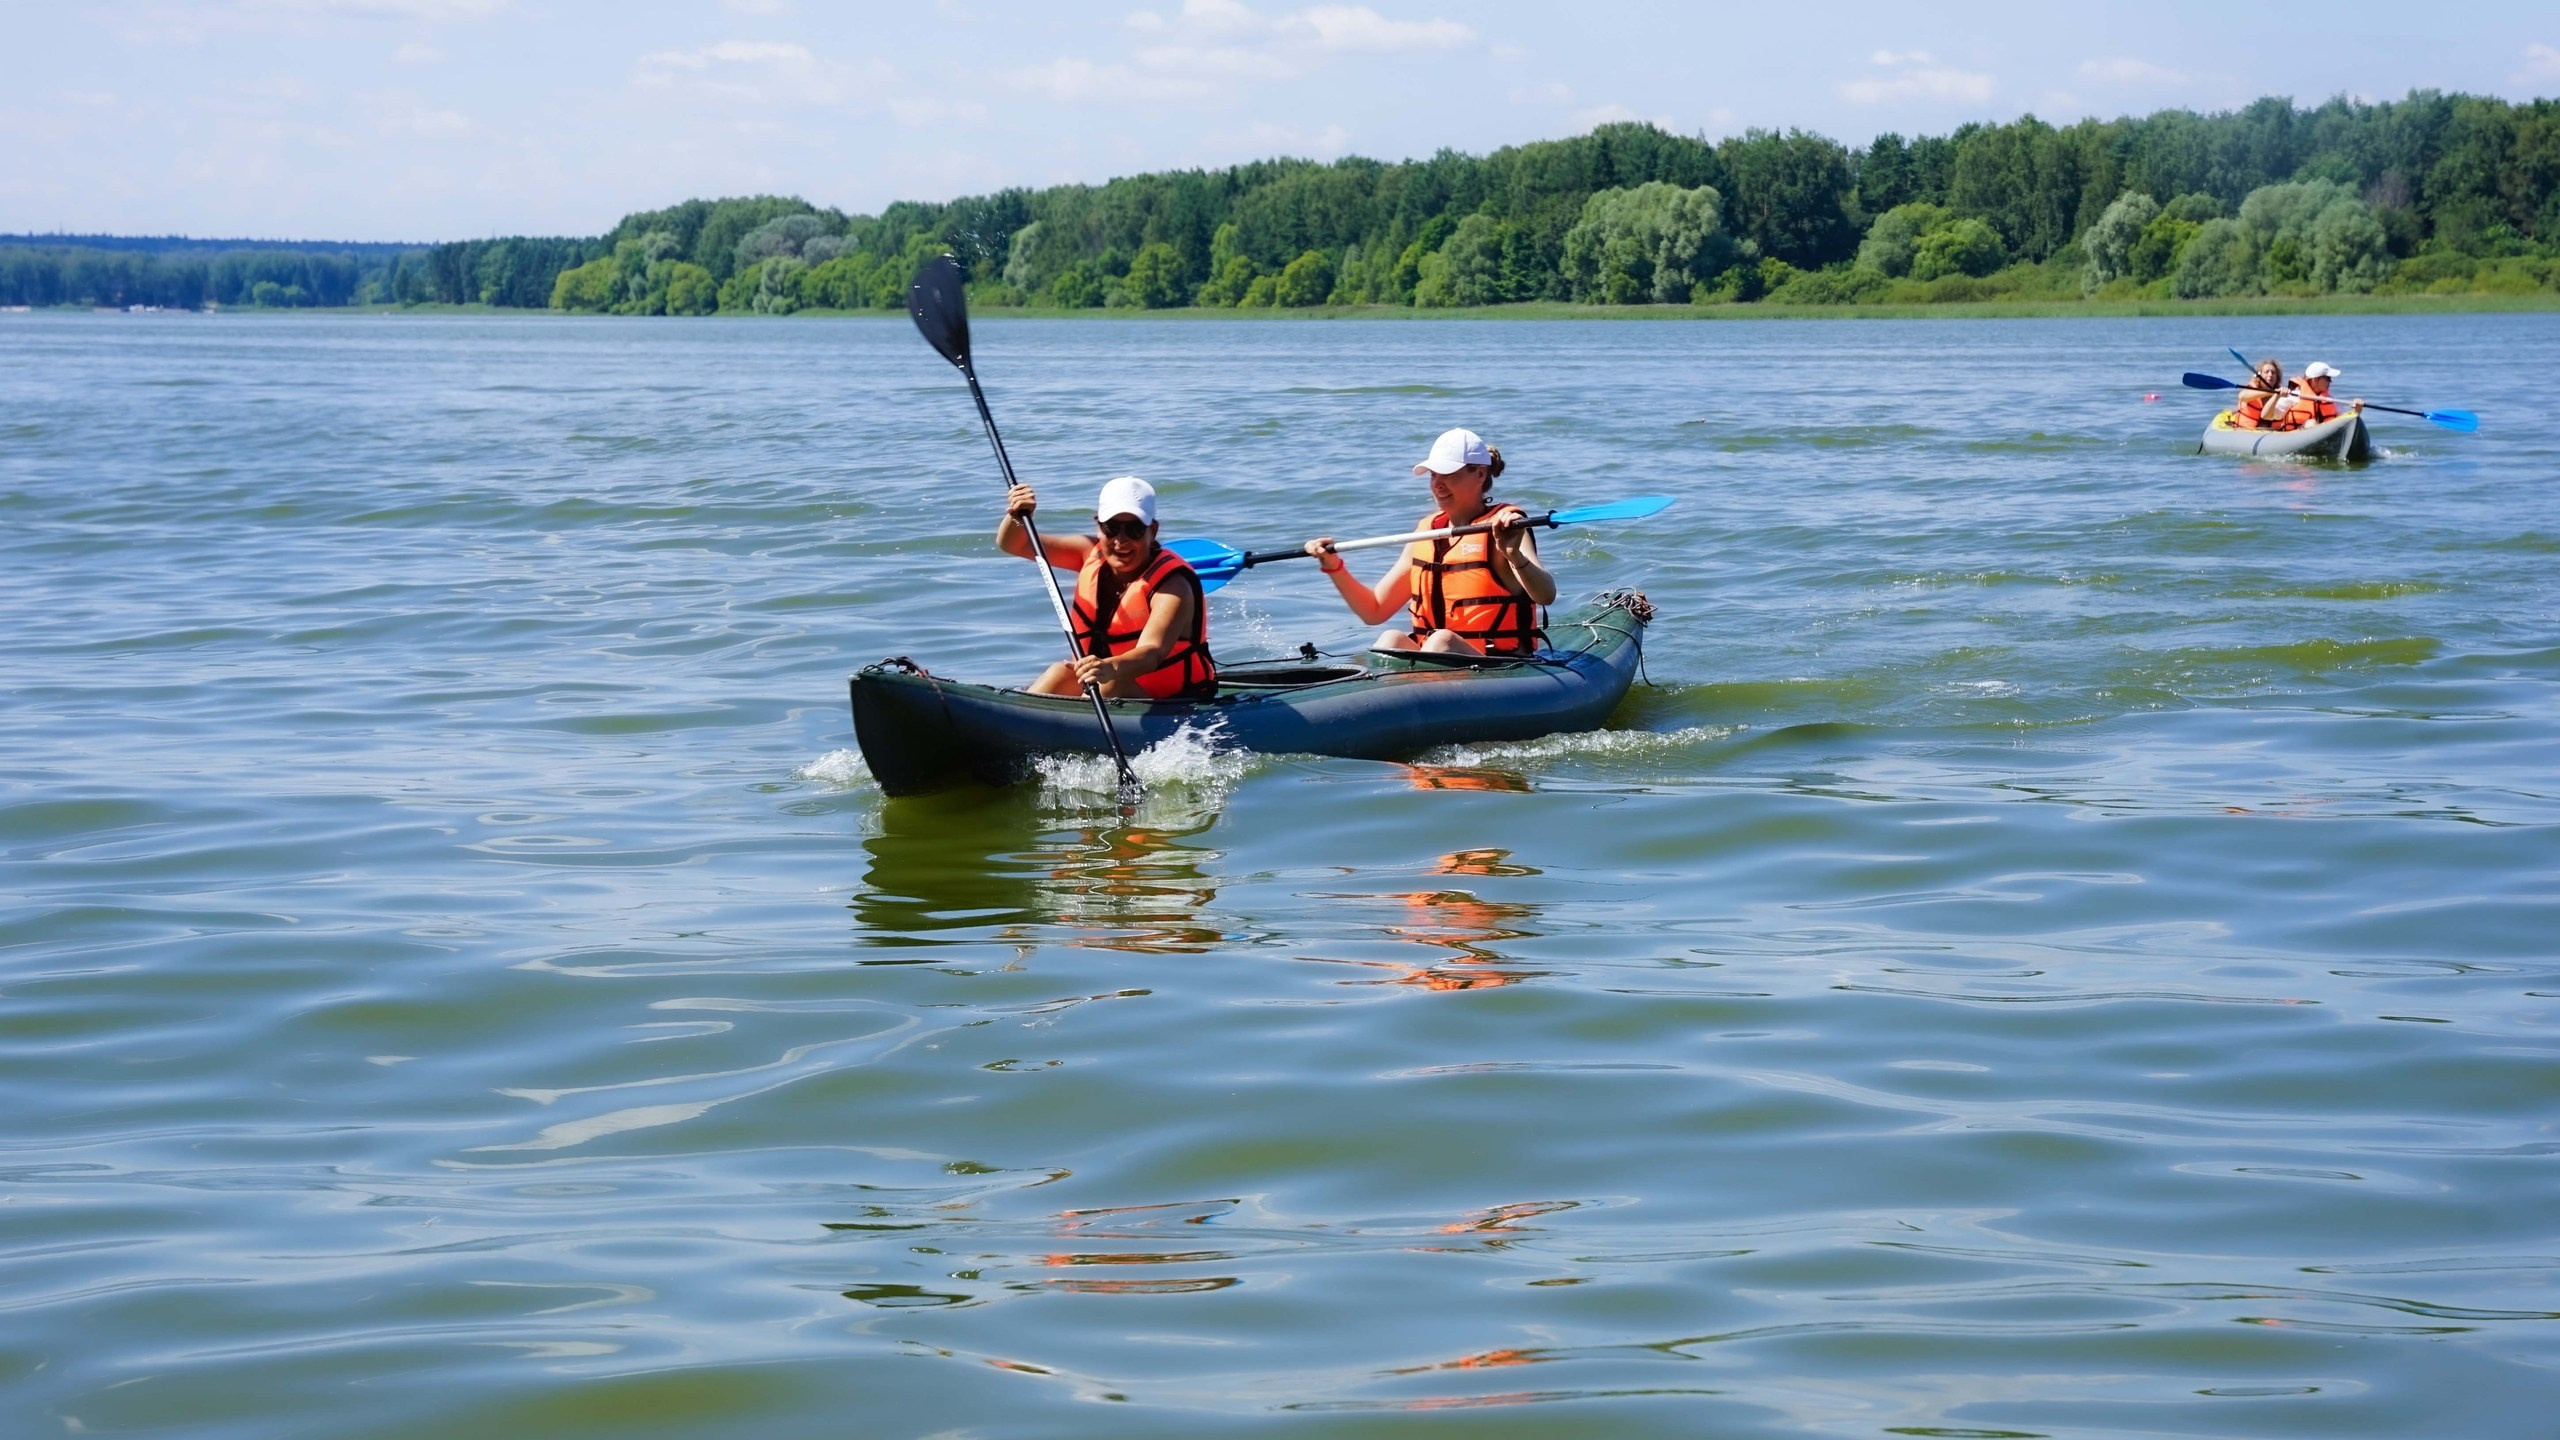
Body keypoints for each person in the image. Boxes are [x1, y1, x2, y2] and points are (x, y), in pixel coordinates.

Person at [1302, 428, 1558, 655]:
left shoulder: (1507, 526)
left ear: (1480, 474)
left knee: (1442, 641)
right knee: (1390, 639)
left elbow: (1546, 595)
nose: (1437, 484)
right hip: (1438, 665)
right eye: (1433, 475)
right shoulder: (1426, 532)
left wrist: (1514, 555)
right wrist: (1333, 566)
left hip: (1501, 666)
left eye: (1447, 474)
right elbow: (1374, 611)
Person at [995, 475, 1216, 700]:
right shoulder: (1089, 552)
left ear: (1153, 531)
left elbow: (1152, 653)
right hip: (1105, 685)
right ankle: (1018, 718)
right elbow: (1014, 544)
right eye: (1111, 528)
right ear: (1098, 527)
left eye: (1135, 529)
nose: (1121, 540)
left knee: (1110, 685)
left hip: (1176, 702)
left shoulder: (1172, 586)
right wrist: (1018, 517)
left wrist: (1109, 668)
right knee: (1060, 673)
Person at [2266, 360, 2362, 431]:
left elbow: (2343, 419)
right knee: (2310, 423)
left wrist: (2356, 411)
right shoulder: (2294, 396)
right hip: (2294, 436)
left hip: (2320, 435)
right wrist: (2276, 397)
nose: (2331, 381)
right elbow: (2267, 416)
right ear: (2315, 380)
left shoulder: (2327, 398)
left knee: (2312, 424)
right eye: (2327, 378)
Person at [2232, 358, 2285, 429]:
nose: (2270, 374)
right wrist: (2269, 392)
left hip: (2272, 433)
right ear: (2260, 376)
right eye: (2266, 372)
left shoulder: (2281, 392)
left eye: (2273, 372)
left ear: (2277, 377)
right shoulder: (2251, 389)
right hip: (2246, 431)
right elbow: (2242, 396)